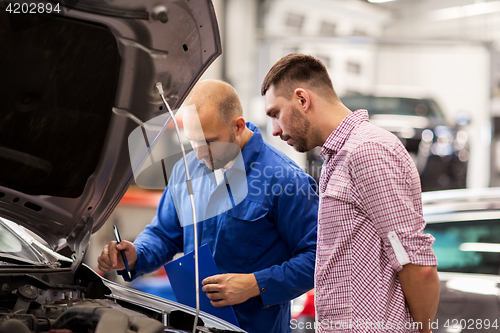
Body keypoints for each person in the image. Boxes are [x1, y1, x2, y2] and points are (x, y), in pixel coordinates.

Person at [97, 79, 319, 333]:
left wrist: (254, 284)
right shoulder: (186, 170)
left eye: (210, 142)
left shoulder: (286, 180)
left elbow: (316, 260)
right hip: (195, 324)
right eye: (193, 142)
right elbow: (165, 234)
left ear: (237, 126)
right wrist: (137, 255)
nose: (200, 153)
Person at [261, 54, 440, 333]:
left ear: (302, 99)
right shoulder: (338, 157)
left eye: (275, 114)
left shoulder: (367, 151)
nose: (274, 130)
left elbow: (416, 262)